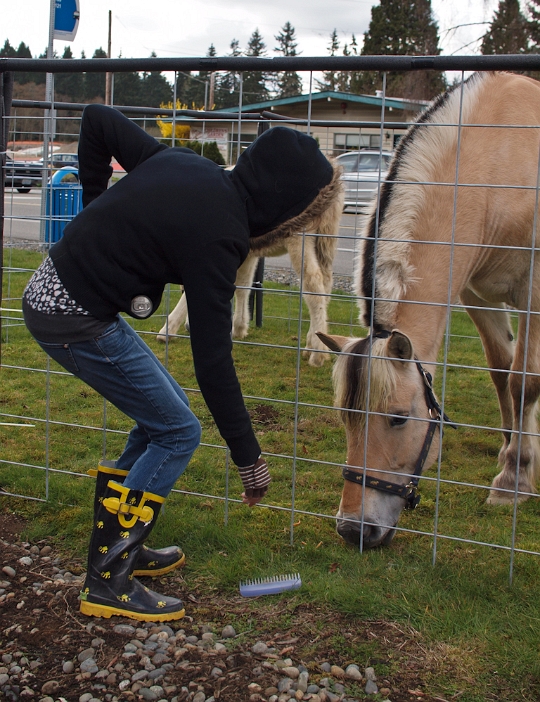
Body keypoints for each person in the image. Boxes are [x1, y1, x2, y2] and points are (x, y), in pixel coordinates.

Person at [22, 104, 342, 623]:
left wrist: (93, 208)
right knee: (177, 431)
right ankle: (109, 576)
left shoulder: (187, 165)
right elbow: (213, 361)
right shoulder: (221, 235)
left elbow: (98, 119)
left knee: (159, 420)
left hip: (62, 297)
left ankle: (121, 543)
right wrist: (248, 456)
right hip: (72, 316)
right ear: (286, 207)